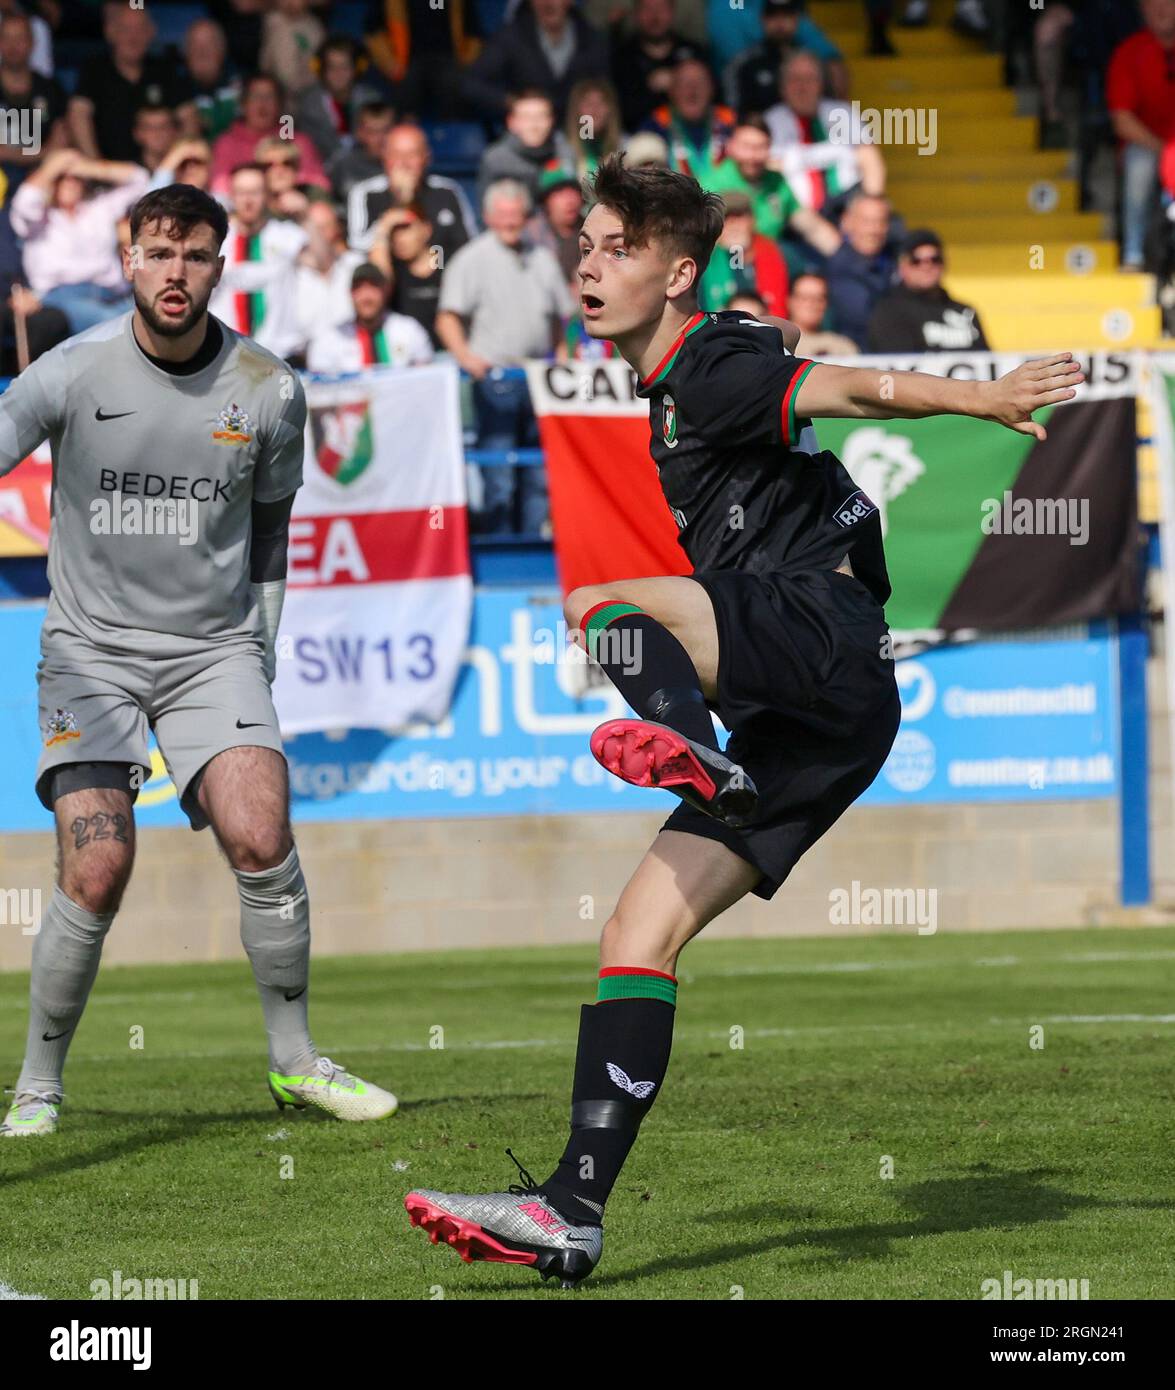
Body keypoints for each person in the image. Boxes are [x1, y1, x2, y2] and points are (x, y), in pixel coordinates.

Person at [403, 153, 1083, 1287]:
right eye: (583, 248)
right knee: (635, 936)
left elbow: (854, 389)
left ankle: (697, 753)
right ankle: (572, 1208)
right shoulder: (701, 359)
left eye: (615, 249)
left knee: (597, 604)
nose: (587, 267)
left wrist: (982, 394)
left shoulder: (705, 364)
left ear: (673, 274)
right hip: (828, 709)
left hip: (817, 633)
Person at [0, 180, 398, 1138]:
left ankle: (296, 1063)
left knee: (261, 834)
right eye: (158, 250)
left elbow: (270, 538)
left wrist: (257, 651)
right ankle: (39, 1084)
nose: (175, 270)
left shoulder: (269, 390)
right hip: (89, 653)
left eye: (195, 254)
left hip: (213, 650)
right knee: (99, 866)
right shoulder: (68, 372)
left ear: (219, 266)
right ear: (128, 258)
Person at [435, 177, 574, 534]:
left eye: (517, 214)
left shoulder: (542, 257)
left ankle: (530, 548)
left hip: (540, 381)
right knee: (499, 474)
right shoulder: (472, 259)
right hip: (496, 380)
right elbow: (447, 317)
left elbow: (557, 319)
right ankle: (500, 551)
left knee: (538, 474)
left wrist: (560, 357)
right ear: (488, 216)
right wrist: (467, 358)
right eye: (503, 215)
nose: (511, 222)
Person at [9, 147, 149, 333]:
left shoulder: (98, 207)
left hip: (114, 293)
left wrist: (86, 167)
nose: (70, 182)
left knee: (148, 315)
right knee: (112, 324)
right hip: (61, 296)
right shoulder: (39, 217)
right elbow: (25, 201)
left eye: (75, 177)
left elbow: (141, 180)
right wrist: (53, 167)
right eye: (62, 177)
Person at [69, 4, 199, 163]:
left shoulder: (165, 70)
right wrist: (96, 166)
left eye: (140, 30)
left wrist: (174, 164)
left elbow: (189, 118)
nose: (133, 37)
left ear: (151, 33)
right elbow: (78, 115)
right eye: (126, 29)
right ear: (110, 32)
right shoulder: (94, 70)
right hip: (109, 173)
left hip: (162, 174)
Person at [208, 162, 308, 362]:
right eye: (241, 192)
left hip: (280, 357)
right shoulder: (214, 239)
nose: (248, 201)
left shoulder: (288, 235)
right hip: (224, 357)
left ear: (268, 196)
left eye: (255, 192)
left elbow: (324, 266)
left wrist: (306, 216)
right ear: (231, 195)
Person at [1106, 0, 1175, 269]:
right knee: (1139, 164)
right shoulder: (1130, 52)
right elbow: (1122, 120)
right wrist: (1164, 150)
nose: (1161, 10)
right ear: (1142, 10)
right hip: (1149, 144)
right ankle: (1134, 254)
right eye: (1152, 3)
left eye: (1169, 3)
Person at [347, 122, 476, 263]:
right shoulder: (366, 193)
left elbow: (466, 247)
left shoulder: (447, 191)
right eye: (397, 155)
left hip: (438, 275)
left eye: (412, 154)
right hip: (387, 279)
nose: (404, 163)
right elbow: (357, 248)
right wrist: (398, 204)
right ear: (384, 157)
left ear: (427, 158)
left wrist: (430, 264)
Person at [465, 0, 610, 124]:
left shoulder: (592, 38)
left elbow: (605, 91)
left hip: (580, 132)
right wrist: (514, 103)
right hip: (526, 135)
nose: (548, 3)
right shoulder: (511, 37)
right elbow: (473, 85)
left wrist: (589, 133)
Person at [867, 229, 990, 353]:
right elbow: (898, 367)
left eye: (935, 259)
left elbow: (987, 360)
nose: (927, 266)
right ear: (902, 266)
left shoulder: (966, 311)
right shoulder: (888, 312)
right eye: (916, 260)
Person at [210, 73, 329, 196]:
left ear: (280, 105)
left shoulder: (297, 141)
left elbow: (318, 183)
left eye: (269, 97)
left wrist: (291, 190)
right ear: (243, 104)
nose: (262, 104)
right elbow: (220, 188)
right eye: (256, 96)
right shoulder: (226, 143)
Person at [306, 260, 433, 371]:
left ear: (385, 291)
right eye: (359, 288)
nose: (366, 297)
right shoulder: (331, 339)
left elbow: (426, 378)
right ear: (350, 294)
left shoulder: (409, 330)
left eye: (373, 287)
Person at [725, 0, 847, 114]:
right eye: (773, 16)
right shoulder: (744, 63)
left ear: (796, 20)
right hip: (760, 132)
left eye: (786, 15)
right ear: (762, 20)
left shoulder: (812, 62)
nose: (780, 22)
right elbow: (732, 108)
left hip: (809, 131)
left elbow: (829, 105)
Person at [611, 0, 709, 132]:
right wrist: (650, 89)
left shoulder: (694, 53)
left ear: (672, 13)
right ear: (636, 14)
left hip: (695, 137)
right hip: (638, 139)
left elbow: (714, 101)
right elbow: (618, 112)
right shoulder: (622, 58)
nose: (655, 16)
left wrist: (679, 82)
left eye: (661, 9)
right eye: (647, 9)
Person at [641, 57, 735, 185]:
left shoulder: (730, 121)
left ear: (712, 88)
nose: (692, 91)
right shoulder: (656, 125)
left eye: (699, 83)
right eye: (684, 84)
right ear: (671, 91)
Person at [476, 87, 575, 207]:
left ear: (551, 120)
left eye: (541, 116)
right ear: (511, 122)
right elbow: (486, 213)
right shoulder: (495, 160)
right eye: (526, 117)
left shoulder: (565, 153)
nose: (534, 125)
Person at [823, 191, 896, 350]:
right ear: (846, 222)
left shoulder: (895, 263)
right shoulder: (837, 269)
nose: (874, 230)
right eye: (866, 221)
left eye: (881, 222)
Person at [787, 270, 858, 356]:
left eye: (819, 298)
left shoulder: (843, 347)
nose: (811, 304)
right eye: (804, 297)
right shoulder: (779, 346)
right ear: (790, 301)